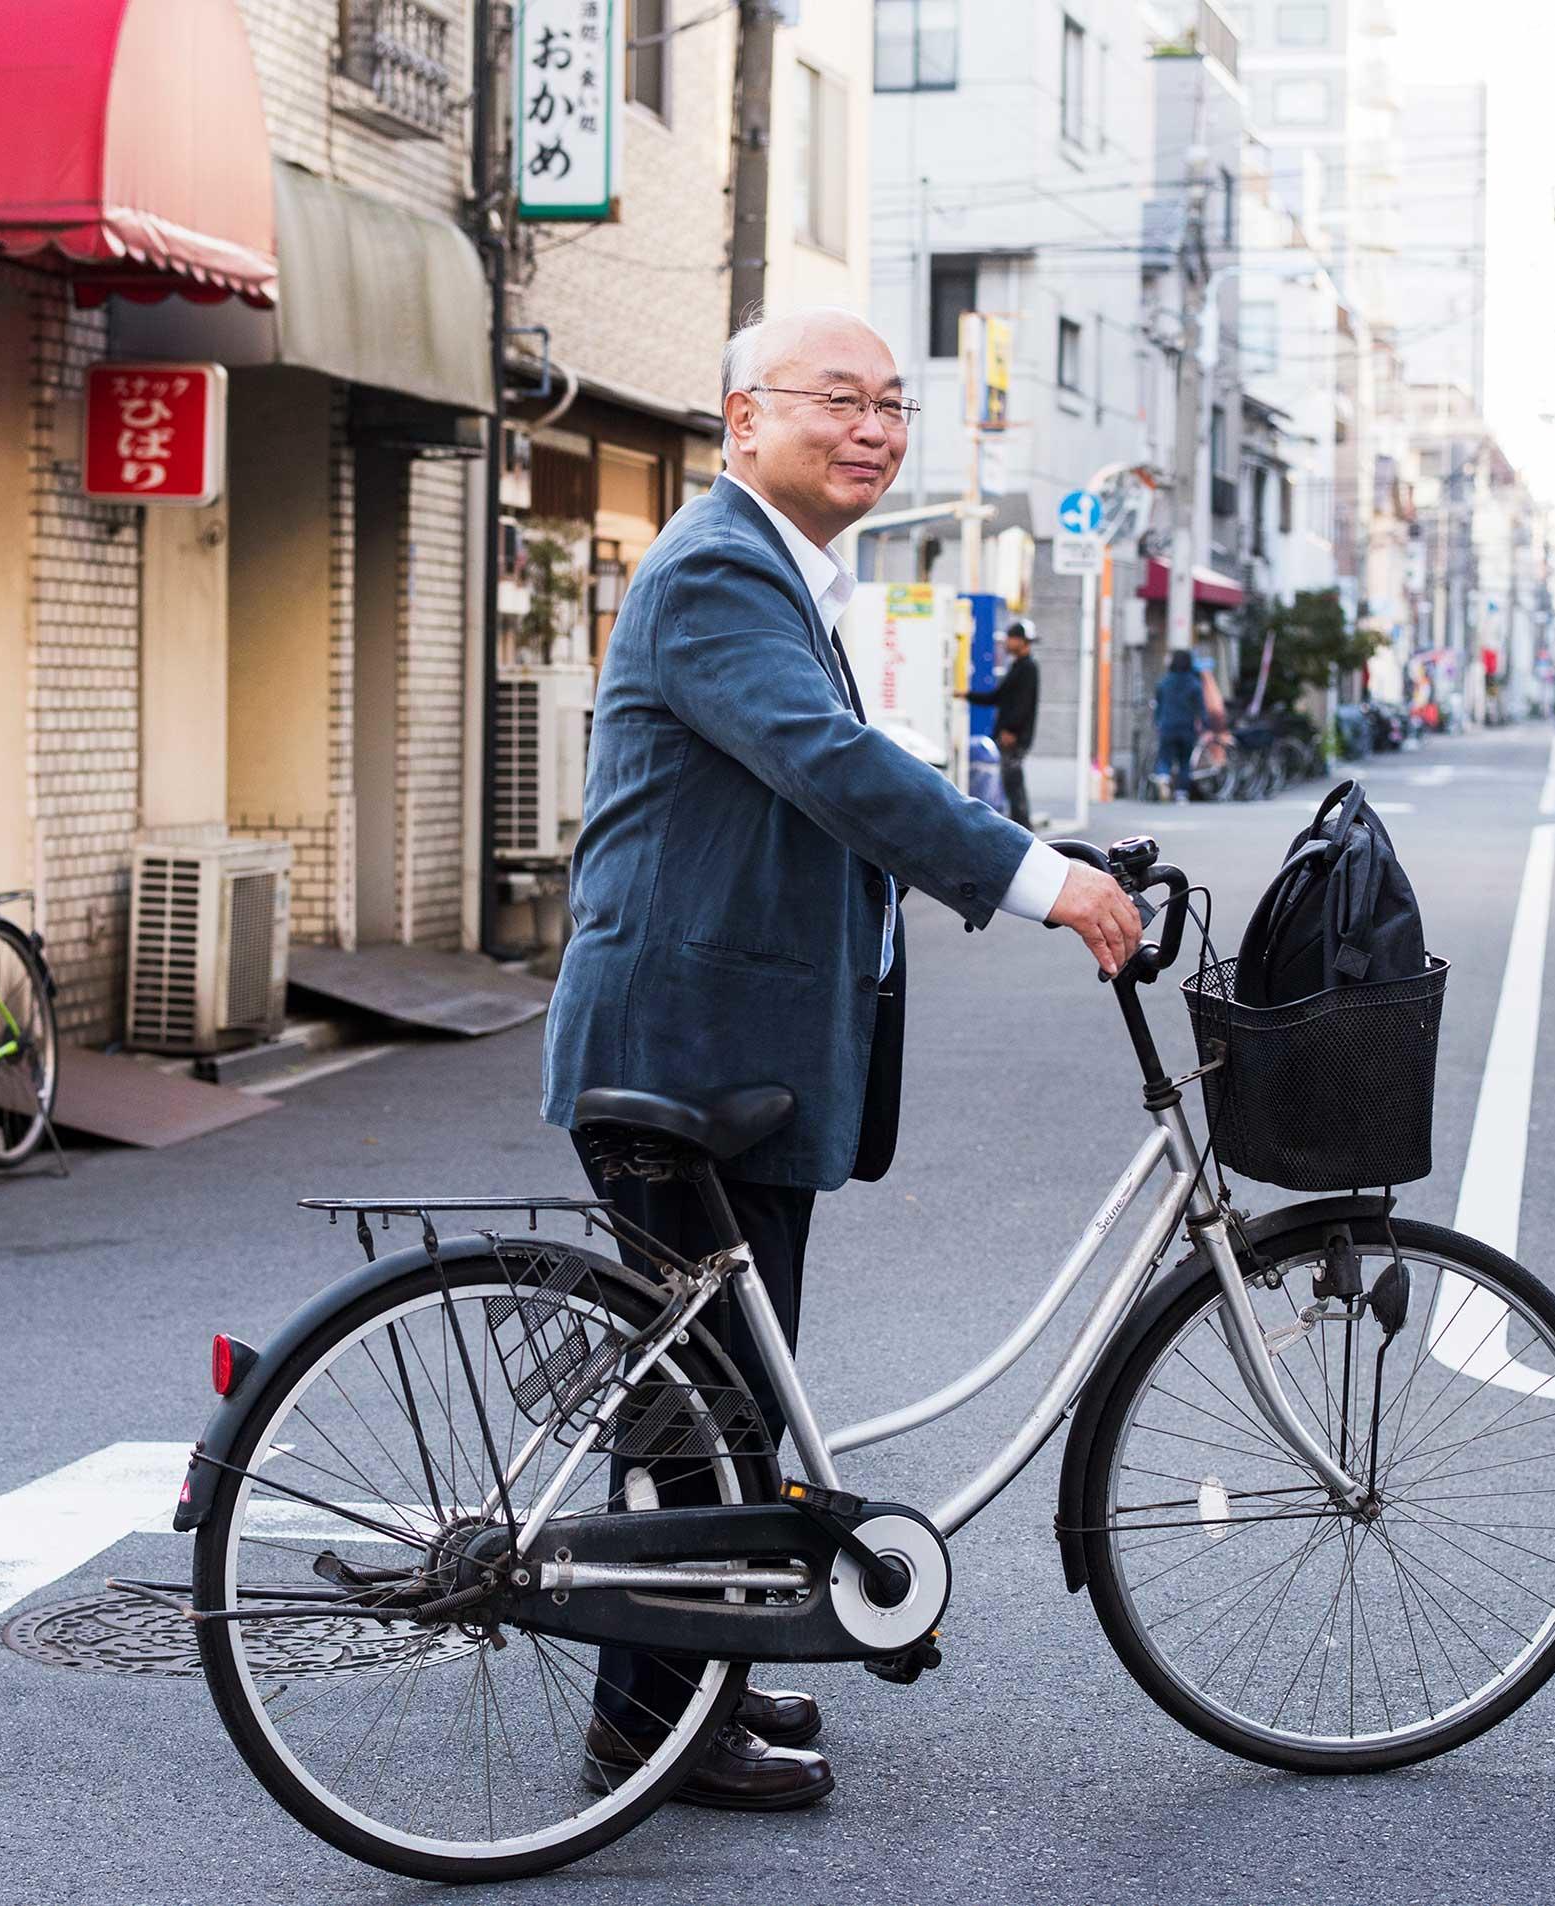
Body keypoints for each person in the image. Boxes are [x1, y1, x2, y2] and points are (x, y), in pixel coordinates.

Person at [542, 307, 1141, 1812]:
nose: (873, 427)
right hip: (680, 1052)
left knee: (723, 1398)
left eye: (891, 406)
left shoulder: (780, 575)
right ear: (743, 418)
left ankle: (686, 1691)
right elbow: (833, 764)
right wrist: (1037, 877)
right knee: (714, 1409)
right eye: (838, 400)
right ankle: (651, 1724)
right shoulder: (722, 570)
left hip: (727, 1053)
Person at [967, 616, 1039, 828]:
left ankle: (1025, 832)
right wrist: (966, 695)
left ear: (1021, 641)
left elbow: (1023, 704)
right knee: (1011, 785)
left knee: (1013, 785)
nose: (1006, 643)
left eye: (1010, 638)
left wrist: (1011, 730)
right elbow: (998, 697)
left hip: (1013, 737)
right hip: (1009, 735)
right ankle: (1022, 830)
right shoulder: (1018, 666)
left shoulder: (1028, 668)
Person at [1152, 649, 1209, 799]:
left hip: (1167, 725)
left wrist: (1157, 722)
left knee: (1165, 757)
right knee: (1184, 761)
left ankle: (1163, 776)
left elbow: (1159, 705)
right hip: (1187, 727)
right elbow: (1201, 708)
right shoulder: (1194, 683)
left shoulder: (1164, 682)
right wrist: (1205, 725)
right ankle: (1181, 793)